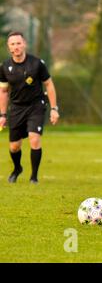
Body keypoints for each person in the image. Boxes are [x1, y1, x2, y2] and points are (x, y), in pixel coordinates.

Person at [0, 31, 60, 184]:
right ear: (9, 47)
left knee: (34, 139)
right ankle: (17, 168)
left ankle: (34, 177)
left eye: (19, 43)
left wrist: (54, 109)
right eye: (12, 44)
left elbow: (49, 85)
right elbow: (3, 91)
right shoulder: (5, 67)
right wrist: (2, 115)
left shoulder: (36, 64)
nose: (16, 47)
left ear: (24, 44)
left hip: (36, 106)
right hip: (16, 108)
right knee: (14, 146)